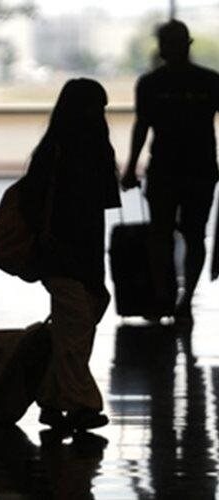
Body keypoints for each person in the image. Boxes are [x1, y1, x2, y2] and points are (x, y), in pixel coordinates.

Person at [21, 79, 121, 432]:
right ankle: (82, 404)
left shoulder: (58, 151)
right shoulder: (85, 152)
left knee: (73, 326)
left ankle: (51, 398)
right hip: (70, 252)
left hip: (69, 253)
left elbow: (32, 199)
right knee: (77, 324)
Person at [121, 20, 219, 320]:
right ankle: (185, 300)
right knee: (194, 235)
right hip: (200, 169)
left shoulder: (151, 84)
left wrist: (131, 167)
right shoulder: (210, 81)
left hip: (164, 168)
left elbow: (142, 127)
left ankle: (164, 294)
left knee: (160, 234)